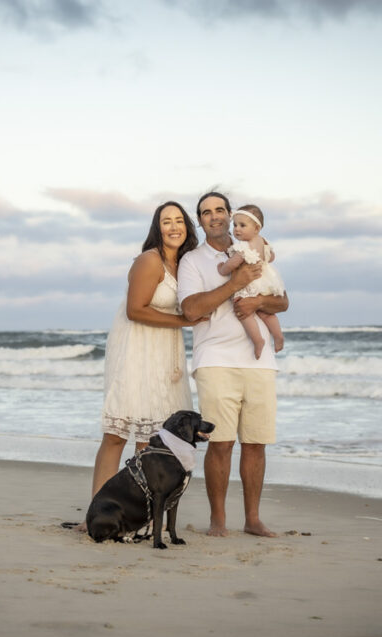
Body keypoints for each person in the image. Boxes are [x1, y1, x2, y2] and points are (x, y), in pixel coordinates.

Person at [177, 191, 289, 538]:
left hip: (259, 362)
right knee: (221, 443)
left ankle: (253, 520)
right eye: (206, 212)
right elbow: (192, 309)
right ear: (200, 221)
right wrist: (236, 284)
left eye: (220, 210)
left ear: (231, 214)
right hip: (215, 360)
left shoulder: (256, 247)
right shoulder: (193, 261)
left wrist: (258, 300)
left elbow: (282, 300)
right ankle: (218, 521)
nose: (214, 217)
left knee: (256, 443)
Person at [88, 200, 203, 503]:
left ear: (187, 227)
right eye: (167, 221)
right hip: (136, 349)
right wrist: (183, 320)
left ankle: (141, 511)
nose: (174, 227)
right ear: (158, 227)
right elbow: (135, 310)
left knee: (150, 437)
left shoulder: (186, 264)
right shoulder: (149, 261)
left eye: (179, 220)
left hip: (165, 350)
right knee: (118, 433)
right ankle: (97, 508)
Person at [216, 204, 286, 359]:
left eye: (242, 225)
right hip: (267, 280)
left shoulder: (244, 246)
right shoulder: (264, 241)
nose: (237, 229)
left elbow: (233, 263)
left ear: (256, 228)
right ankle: (278, 335)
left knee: (243, 313)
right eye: (235, 225)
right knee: (267, 313)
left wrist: (222, 268)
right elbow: (271, 257)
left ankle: (258, 340)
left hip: (250, 283)